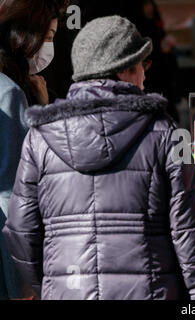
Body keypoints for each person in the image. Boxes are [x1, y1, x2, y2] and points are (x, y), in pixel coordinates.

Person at [2, 15, 195, 301]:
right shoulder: (166, 133)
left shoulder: (40, 138)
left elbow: (20, 231)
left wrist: (52, 286)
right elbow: (193, 235)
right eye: (143, 64)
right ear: (124, 70)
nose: (145, 74)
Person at [0, 0, 68, 300]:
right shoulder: (10, 93)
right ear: (26, 35)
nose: (49, 46)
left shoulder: (22, 86)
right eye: (49, 37)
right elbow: (11, 190)